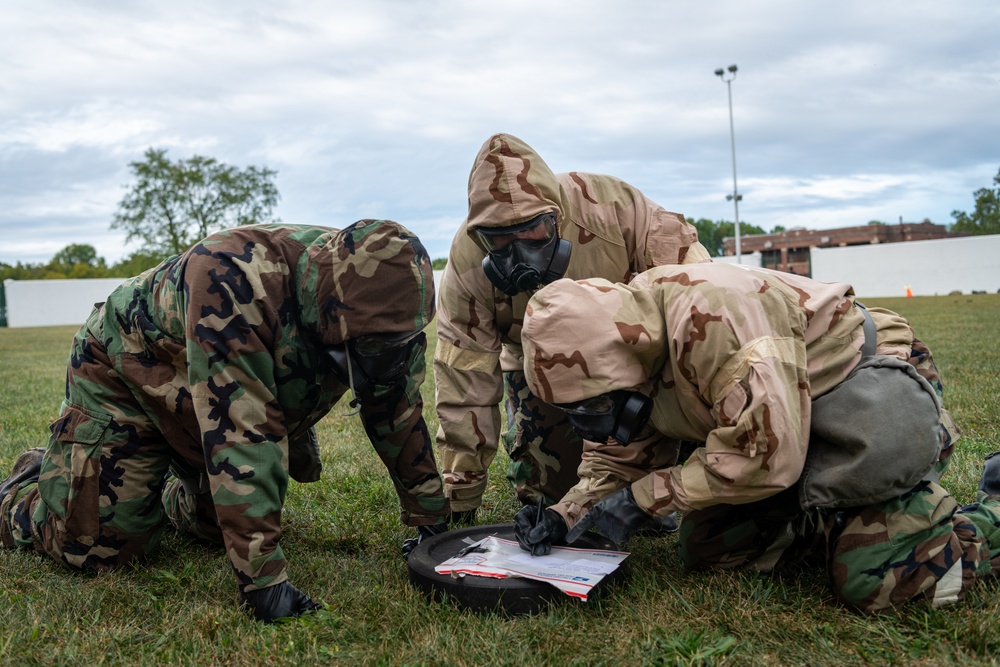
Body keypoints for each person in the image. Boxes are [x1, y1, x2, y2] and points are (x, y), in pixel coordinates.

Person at [0, 219, 450, 623]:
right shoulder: (232, 276)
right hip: (125, 370)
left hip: (208, 391)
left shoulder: (392, 305)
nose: (387, 354)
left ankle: (170, 478)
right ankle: (32, 485)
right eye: (369, 346)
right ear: (328, 311)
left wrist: (430, 518)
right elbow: (244, 430)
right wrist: (263, 583)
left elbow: (397, 410)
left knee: (217, 531)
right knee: (99, 548)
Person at [514, 262, 1000, 612]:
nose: (589, 424)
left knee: (876, 580)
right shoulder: (621, 360)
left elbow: (767, 458)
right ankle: (839, 520)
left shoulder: (715, 319)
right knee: (712, 547)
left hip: (857, 387)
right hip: (778, 417)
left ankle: (985, 516)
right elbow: (618, 460)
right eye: (572, 411)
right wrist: (567, 514)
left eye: (595, 407)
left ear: (627, 357)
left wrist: (643, 499)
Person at [434, 132, 712, 524]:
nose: (521, 256)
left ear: (557, 216)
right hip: (541, 373)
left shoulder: (616, 210)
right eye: (501, 241)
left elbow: (704, 307)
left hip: (638, 357)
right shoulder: (467, 261)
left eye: (533, 232)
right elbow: (464, 382)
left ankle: (674, 453)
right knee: (550, 496)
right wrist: (459, 499)